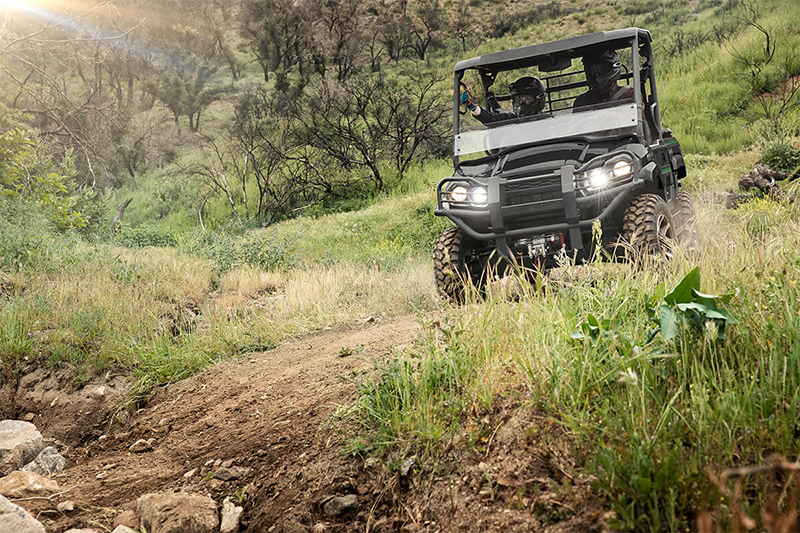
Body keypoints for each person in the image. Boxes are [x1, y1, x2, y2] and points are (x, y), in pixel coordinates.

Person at [461, 76, 546, 124]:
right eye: (518, 99)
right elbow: (490, 118)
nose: (521, 103)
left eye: (527, 99)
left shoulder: (548, 121)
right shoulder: (512, 118)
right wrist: (472, 107)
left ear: (539, 98)